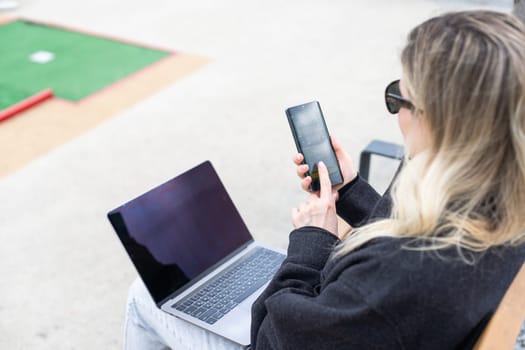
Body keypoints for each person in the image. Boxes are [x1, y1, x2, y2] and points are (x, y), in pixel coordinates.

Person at [124, 10, 525, 349]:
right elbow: (403, 235)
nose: (398, 115)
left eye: (399, 100)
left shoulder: (394, 279)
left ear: (437, 120)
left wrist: (313, 241)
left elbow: (270, 337)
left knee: (147, 297)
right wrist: (351, 192)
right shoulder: (498, 203)